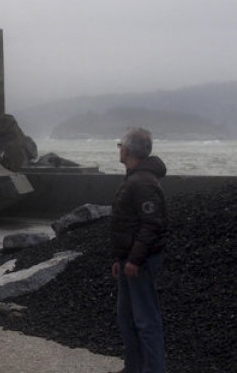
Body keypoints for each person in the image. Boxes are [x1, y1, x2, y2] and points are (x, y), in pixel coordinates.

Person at [109, 127, 167, 373]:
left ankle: (153, 370)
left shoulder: (142, 182)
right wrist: (120, 258)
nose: (119, 148)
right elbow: (129, 224)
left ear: (129, 150)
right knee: (127, 319)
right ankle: (133, 368)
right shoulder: (135, 177)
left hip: (140, 262)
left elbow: (152, 224)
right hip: (128, 259)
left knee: (145, 320)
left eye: (121, 144)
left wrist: (134, 259)